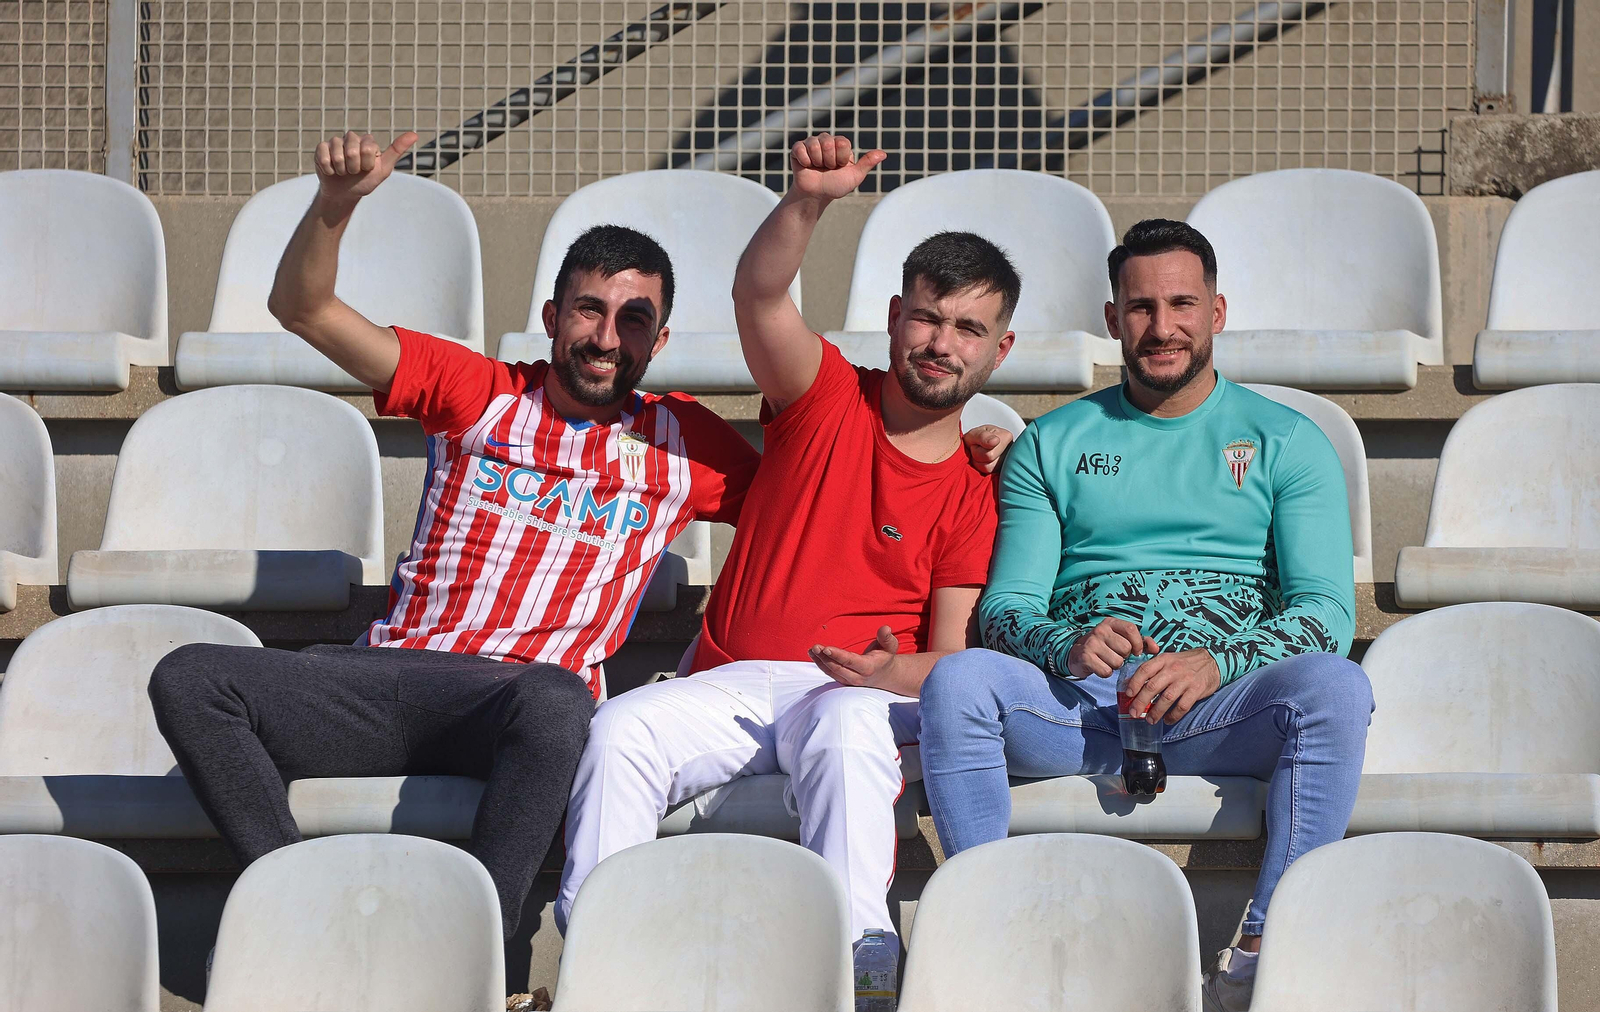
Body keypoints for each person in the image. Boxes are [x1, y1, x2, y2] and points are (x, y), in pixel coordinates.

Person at [147, 130, 763, 939]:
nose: (607, 338)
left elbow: (827, 497)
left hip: (516, 707)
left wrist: (977, 461)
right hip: (388, 680)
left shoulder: (687, 444)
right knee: (191, 678)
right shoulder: (478, 391)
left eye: (634, 319)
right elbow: (302, 309)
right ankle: (292, 903)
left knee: (557, 697)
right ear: (551, 317)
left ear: (660, 339)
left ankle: (475, 954)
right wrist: (335, 208)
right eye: (589, 309)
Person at [556, 133, 1017, 951]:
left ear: (1000, 349)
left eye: (969, 329)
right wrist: (807, 201)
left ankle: (858, 967)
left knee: (844, 727)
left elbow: (950, 658)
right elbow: (759, 296)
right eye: (928, 318)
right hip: (732, 683)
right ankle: (607, 960)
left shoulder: (981, 485)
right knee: (619, 730)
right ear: (894, 319)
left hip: (865, 695)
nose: (943, 344)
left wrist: (886, 671)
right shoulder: (825, 393)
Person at [916, 219, 1373, 1011]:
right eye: (1140, 307)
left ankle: (1266, 946)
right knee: (959, 682)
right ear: (1111, 317)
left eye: (1182, 304)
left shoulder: (1289, 441)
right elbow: (1007, 610)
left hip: (1224, 708)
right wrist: (1068, 642)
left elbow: (1326, 614)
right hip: (1081, 709)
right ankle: (985, 934)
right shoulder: (1050, 444)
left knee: (1336, 687)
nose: (1162, 328)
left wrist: (1216, 663)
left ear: (1218, 312)